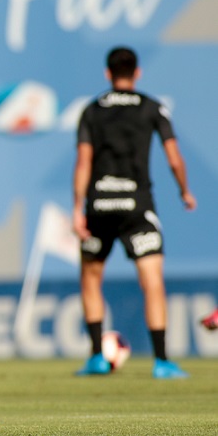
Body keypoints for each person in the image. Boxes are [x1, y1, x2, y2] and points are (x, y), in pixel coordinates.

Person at [72, 46, 196, 379]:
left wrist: (76, 208)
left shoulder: (91, 110)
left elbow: (83, 162)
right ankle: (162, 361)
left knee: (91, 278)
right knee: (152, 281)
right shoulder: (153, 107)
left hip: (99, 204)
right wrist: (184, 190)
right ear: (137, 72)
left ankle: (97, 356)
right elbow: (174, 157)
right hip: (137, 207)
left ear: (107, 74)